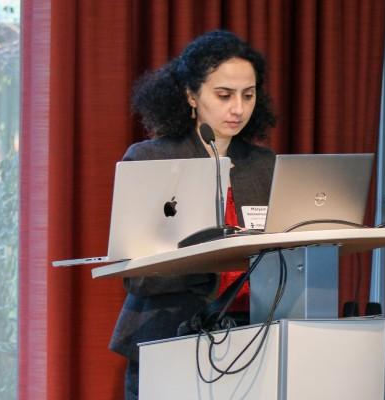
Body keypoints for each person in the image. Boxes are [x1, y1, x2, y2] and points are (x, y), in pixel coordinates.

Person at [109, 30, 277, 399]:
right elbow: (138, 277)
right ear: (190, 95)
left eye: (248, 96)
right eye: (224, 95)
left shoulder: (265, 165)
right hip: (171, 337)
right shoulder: (150, 159)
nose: (238, 108)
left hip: (255, 338)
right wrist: (213, 266)